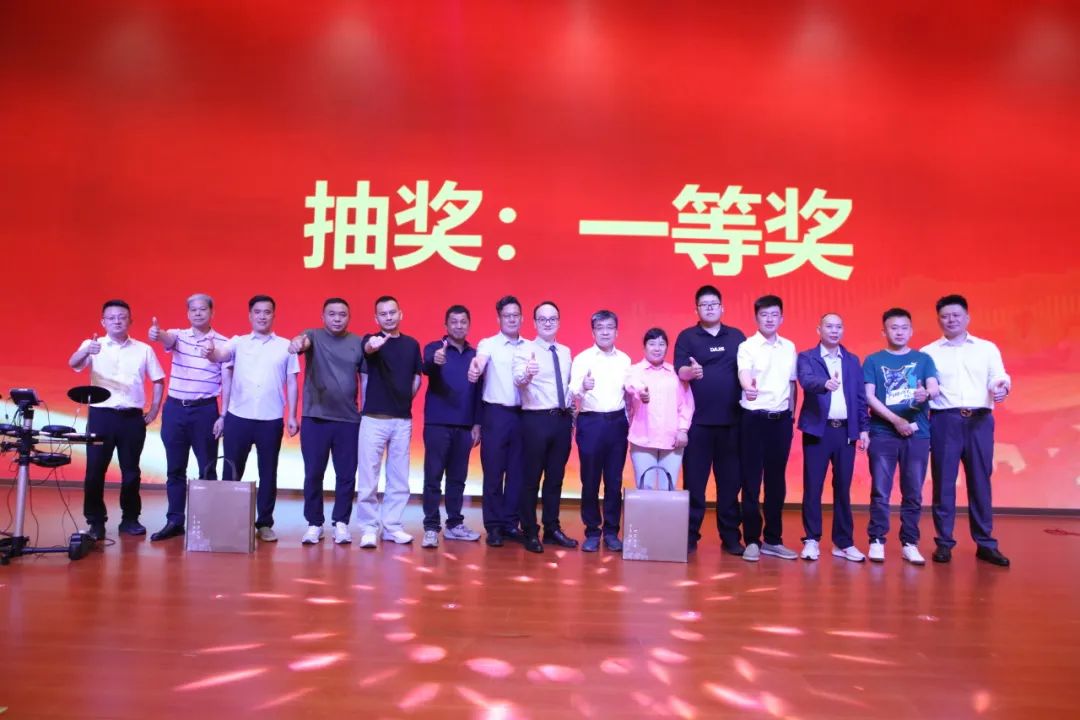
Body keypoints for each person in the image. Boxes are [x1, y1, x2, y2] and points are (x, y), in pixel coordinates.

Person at [921, 294, 1012, 567]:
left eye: (956, 315)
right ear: (938, 320)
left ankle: (985, 544)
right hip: (944, 421)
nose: (951, 320)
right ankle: (944, 543)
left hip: (979, 421)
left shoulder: (986, 348)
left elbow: (998, 376)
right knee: (943, 483)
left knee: (980, 482)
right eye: (945, 316)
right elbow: (924, 386)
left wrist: (1001, 387)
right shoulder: (928, 352)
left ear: (967, 317)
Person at [68, 299, 164, 541]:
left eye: (122, 317)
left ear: (130, 320)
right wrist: (86, 351)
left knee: (131, 471)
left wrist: (154, 409)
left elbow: (158, 380)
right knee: (94, 471)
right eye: (111, 318)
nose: (117, 321)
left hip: (131, 418)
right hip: (101, 416)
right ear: (103, 322)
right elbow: (73, 363)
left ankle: (130, 519)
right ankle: (95, 522)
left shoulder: (143, 349)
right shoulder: (93, 345)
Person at [208, 295, 300, 543]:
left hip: (271, 419)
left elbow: (292, 382)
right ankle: (229, 522)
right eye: (257, 312)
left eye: (267, 312)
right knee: (231, 470)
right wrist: (211, 352)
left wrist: (292, 415)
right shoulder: (238, 342)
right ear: (250, 315)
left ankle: (264, 523)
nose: (262, 316)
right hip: (239, 417)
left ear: (274, 315)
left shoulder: (286, 346)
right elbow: (220, 355)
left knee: (268, 473)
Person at [148, 293, 229, 542]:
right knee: (175, 469)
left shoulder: (223, 343)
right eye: (193, 310)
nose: (198, 313)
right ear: (188, 313)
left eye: (203, 309)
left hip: (205, 411)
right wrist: (157, 334)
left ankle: (208, 522)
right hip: (175, 409)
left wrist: (223, 415)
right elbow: (167, 338)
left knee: (207, 468)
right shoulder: (178, 335)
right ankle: (175, 521)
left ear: (212, 312)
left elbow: (227, 382)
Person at [863, 307, 940, 564]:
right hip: (883, 433)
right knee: (880, 491)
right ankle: (876, 540)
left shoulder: (923, 359)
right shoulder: (873, 360)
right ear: (884, 331)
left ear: (911, 331)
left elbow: (934, 388)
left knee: (913, 492)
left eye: (904, 327)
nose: (899, 332)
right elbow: (869, 396)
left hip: (917, 435)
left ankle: (910, 542)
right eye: (893, 328)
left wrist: (926, 394)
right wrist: (896, 420)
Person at [674, 285, 746, 554]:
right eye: (704, 304)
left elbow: (748, 370)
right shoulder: (687, 337)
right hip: (698, 425)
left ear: (722, 307)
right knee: (694, 485)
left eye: (714, 303)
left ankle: (730, 537)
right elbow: (680, 370)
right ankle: (689, 536)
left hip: (732, 423)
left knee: (730, 485)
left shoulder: (737, 337)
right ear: (697, 310)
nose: (709, 308)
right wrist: (690, 372)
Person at [289, 297, 365, 545]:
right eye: (332, 314)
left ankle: (341, 523)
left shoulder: (358, 343)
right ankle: (314, 524)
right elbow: (301, 342)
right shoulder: (313, 335)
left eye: (342, 314)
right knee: (313, 473)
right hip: (315, 417)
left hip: (348, 420)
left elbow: (364, 379)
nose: (337, 319)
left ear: (349, 317)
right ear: (323, 317)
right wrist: (297, 342)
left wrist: (364, 414)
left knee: (346, 475)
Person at [796, 313, 870, 563]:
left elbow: (860, 397)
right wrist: (824, 384)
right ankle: (811, 539)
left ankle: (843, 542)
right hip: (818, 430)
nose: (834, 330)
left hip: (845, 432)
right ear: (819, 329)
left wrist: (863, 428)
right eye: (829, 326)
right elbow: (806, 380)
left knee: (843, 487)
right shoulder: (807, 357)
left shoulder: (851, 360)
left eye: (839, 326)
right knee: (813, 486)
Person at [356, 296, 423, 548]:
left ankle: (392, 526)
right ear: (376, 318)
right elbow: (368, 348)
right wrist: (373, 345)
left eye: (392, 312)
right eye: (383, 314)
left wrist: (404, 399)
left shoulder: (411, 344)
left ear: (400, 314)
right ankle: (369, 528)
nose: (388, 317)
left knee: (399, 477)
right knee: (368, 476)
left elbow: (417, 378)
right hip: (373, 419)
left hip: (402, 420)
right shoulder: (371, 340)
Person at [513, 301, 577, 554]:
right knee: (531, 478)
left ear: (559, 322)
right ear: (534, 323)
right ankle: (530, 530)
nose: (548, 323)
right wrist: (528, 373)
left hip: (562, 420)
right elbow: (518, 380)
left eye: (552, 319)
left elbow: (569, 385)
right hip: (535, 420)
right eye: (542, 319)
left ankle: (552, 528)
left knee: (555, 478)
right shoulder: (524, 349)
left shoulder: (565, 351)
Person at [737, 295, 798, 562]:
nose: (769, 319)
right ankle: (752, 539)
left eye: (774, 314)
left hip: (781, 421)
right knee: (751, 481)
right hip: (753, 419)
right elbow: (744, 373)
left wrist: (791, 415)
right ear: (756, 318)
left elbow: (792, 384)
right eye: (764, 315)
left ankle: (773, 539)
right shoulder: (747, 346)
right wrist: (747, 387)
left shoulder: (789, 346)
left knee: (776, 482)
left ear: (781, 318)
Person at [420, 304, 483, 548]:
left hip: (465, 425)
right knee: (433, 477)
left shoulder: (475, 355)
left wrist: (477, 423)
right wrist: (435, 361)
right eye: (453, 322)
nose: (458, 326)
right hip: (437, 423)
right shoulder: (434, 348)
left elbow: (479, 391)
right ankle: (430, 527)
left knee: (458, 478)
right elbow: (426, 367)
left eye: (463, 322)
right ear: (445, 325)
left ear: (469, 325)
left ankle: (454, 524)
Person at [569, 310, 631, 552]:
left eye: (609, 327)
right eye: (600, 328)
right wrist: (583, 386)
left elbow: (629, 394)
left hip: (617, 422)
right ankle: (592, 531)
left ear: (617, 331)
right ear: (593, 332)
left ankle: (612, 532)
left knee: (614, 481)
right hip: (591, 422)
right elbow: (572, 391)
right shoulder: (583, 359)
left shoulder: (624, 360)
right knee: (590, 479)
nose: (605, 332)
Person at [469, 295, 527, 547]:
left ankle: (510, 523)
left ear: (522, 318)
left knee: (517, 473)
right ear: (499, 319)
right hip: (495, 414)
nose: (511, 319)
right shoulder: (488, 344)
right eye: (507, 316)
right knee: (493, 472)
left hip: (523, 415)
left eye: (515, 315)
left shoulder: (530, 346)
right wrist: (476, 368)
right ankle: (493, 526)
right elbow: (480, 361)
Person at [625, 327, 695, 492]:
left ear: (667, 348)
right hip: (642, 438)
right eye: (652, 344)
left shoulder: (675, 373)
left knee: (668, 489)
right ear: (644, 347)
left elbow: (686, 404)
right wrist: (641, 392)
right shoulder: (634, 370)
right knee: (645, 488)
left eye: (661, 344)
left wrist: (683, 430)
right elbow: (631, 385)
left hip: (672, 440)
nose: (657, 348)